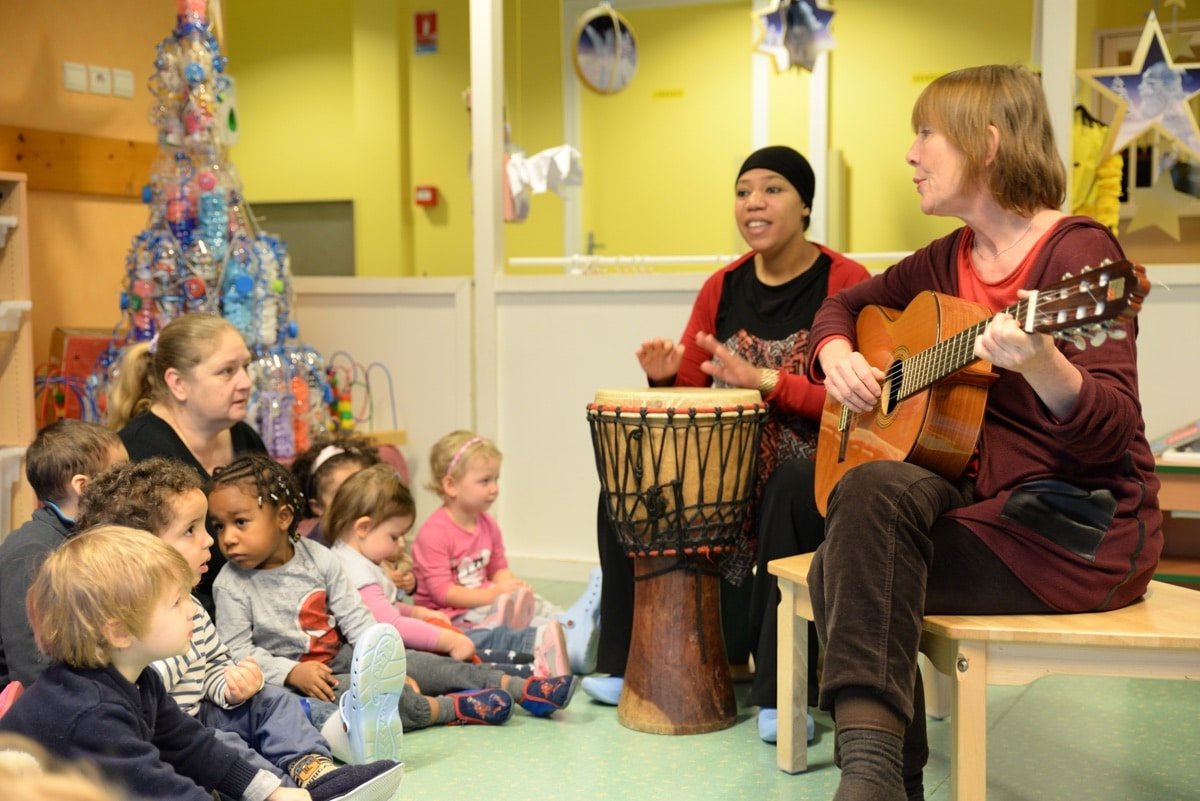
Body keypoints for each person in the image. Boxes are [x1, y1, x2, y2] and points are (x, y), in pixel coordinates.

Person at [806, 64, 1162, 801]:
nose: (910, 153)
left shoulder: (1078, 258)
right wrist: (836, 356)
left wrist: (1044, 364)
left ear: (988, 142)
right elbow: (844, 305)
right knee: (863, 506)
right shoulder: (948, 258)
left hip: (1073, 523)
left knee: (841, 565)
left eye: (926, 133)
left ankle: (879, 778)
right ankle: (878, 778)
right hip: (979, 499)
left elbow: (1113, 434)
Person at [587, 145, 870, 745]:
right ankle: (619, 659)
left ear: (805, 205)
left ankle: (778, 694)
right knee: (627, 487)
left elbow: (858, 402)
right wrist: (664, 379)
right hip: (729, 473)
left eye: (772, 189)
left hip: (813, 469)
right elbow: (690, 399)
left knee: (790, 482)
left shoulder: (846, 282)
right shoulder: (723, 284)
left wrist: (764, 380)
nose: (753, 203)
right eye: (743, 191)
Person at [74, 458, 404, 796]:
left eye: (205, 528)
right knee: (222, 744)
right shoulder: (125, 624)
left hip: (201, 713)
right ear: (140, 549)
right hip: (171, 737)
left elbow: (214, 665)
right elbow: (143, 706)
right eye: (191, 530)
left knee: (273, 701)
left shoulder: (192, 606)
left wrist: (232, 685)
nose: (209, 542)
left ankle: (315, 772)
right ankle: (289, 791)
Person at [208, 453, 580, 746]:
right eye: (219, 526)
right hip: (299, 679)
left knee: (431, 664)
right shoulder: (231, 585)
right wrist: (292, 672)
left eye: (240, 522)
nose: (227, 538)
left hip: (340, 654)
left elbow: (357, 619)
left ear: (284, 517)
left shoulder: (318, 558)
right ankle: (452, 709)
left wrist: (385, 664)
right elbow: (238, 652)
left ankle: (523, 689)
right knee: (366, 709)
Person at [0, 524, 324, 801]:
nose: (192, 609)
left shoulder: (137, 679)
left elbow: (190, 744)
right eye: (176, 601)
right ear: (120, 631)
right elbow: (162, 792)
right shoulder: (92, 713)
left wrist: (269, 792)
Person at [324, 463, 569, 675]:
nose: (398, 546)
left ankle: (536, 650)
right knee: (463, 650)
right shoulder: (356, 574)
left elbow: (383, 609)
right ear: (363, 528)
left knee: (469, 643)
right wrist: (448, 639)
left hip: (395, 647)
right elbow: (391, 626)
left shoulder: (357, 561)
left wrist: (417, 613)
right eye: (394, 536)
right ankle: (533, 658)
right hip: (390, 656)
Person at [108, 312, 266, 619]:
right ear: (178, 383)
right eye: (227, 371)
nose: (246, 383)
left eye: (246, 367)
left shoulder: (245, 437)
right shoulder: (138, 453)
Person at [411, 430, 603, 675]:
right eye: (484, 481)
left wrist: (510, 586)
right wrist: (494, 595)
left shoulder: (486, 523)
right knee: (513, 621)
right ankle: (566, 641)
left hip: (485, 603)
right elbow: (443, 593)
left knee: (533, 602)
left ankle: (571, 624)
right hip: (452, 615)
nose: (494, 489)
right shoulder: (434, 533)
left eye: (496, 479)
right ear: (451, 485)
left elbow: (498, 568)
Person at [0, 420, 127, 688]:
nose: (129, 485)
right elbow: (30, 666)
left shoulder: (85, 537)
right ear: (82, 486)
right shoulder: (31, 553)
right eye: (120, 475)